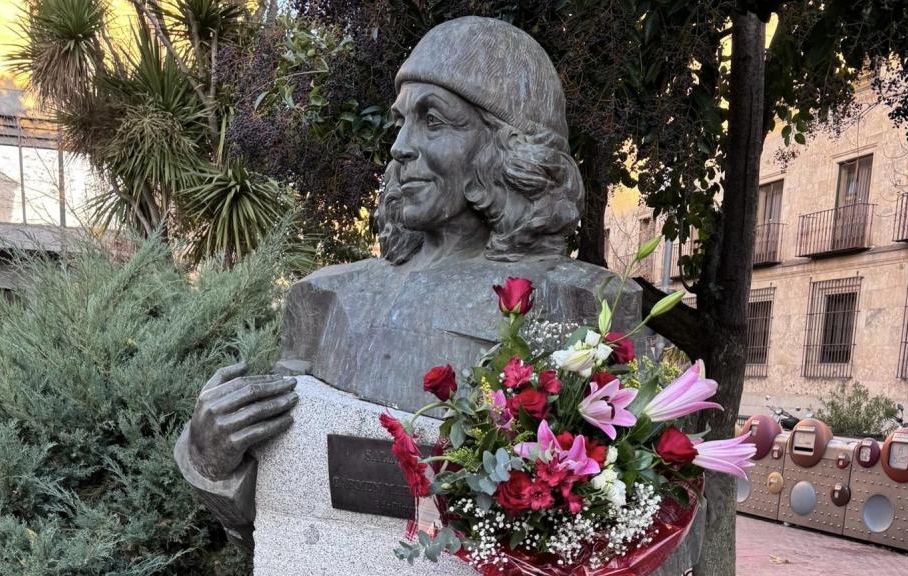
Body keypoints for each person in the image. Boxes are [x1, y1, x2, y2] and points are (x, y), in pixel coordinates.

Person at [174, 16, 637, 550]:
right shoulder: (324, 299)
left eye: (433, 121)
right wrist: (210, 460)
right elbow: (279, 509)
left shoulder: (581, 302)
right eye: (402, 123)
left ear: (507, 146)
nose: (400, 147)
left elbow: (645, 525)